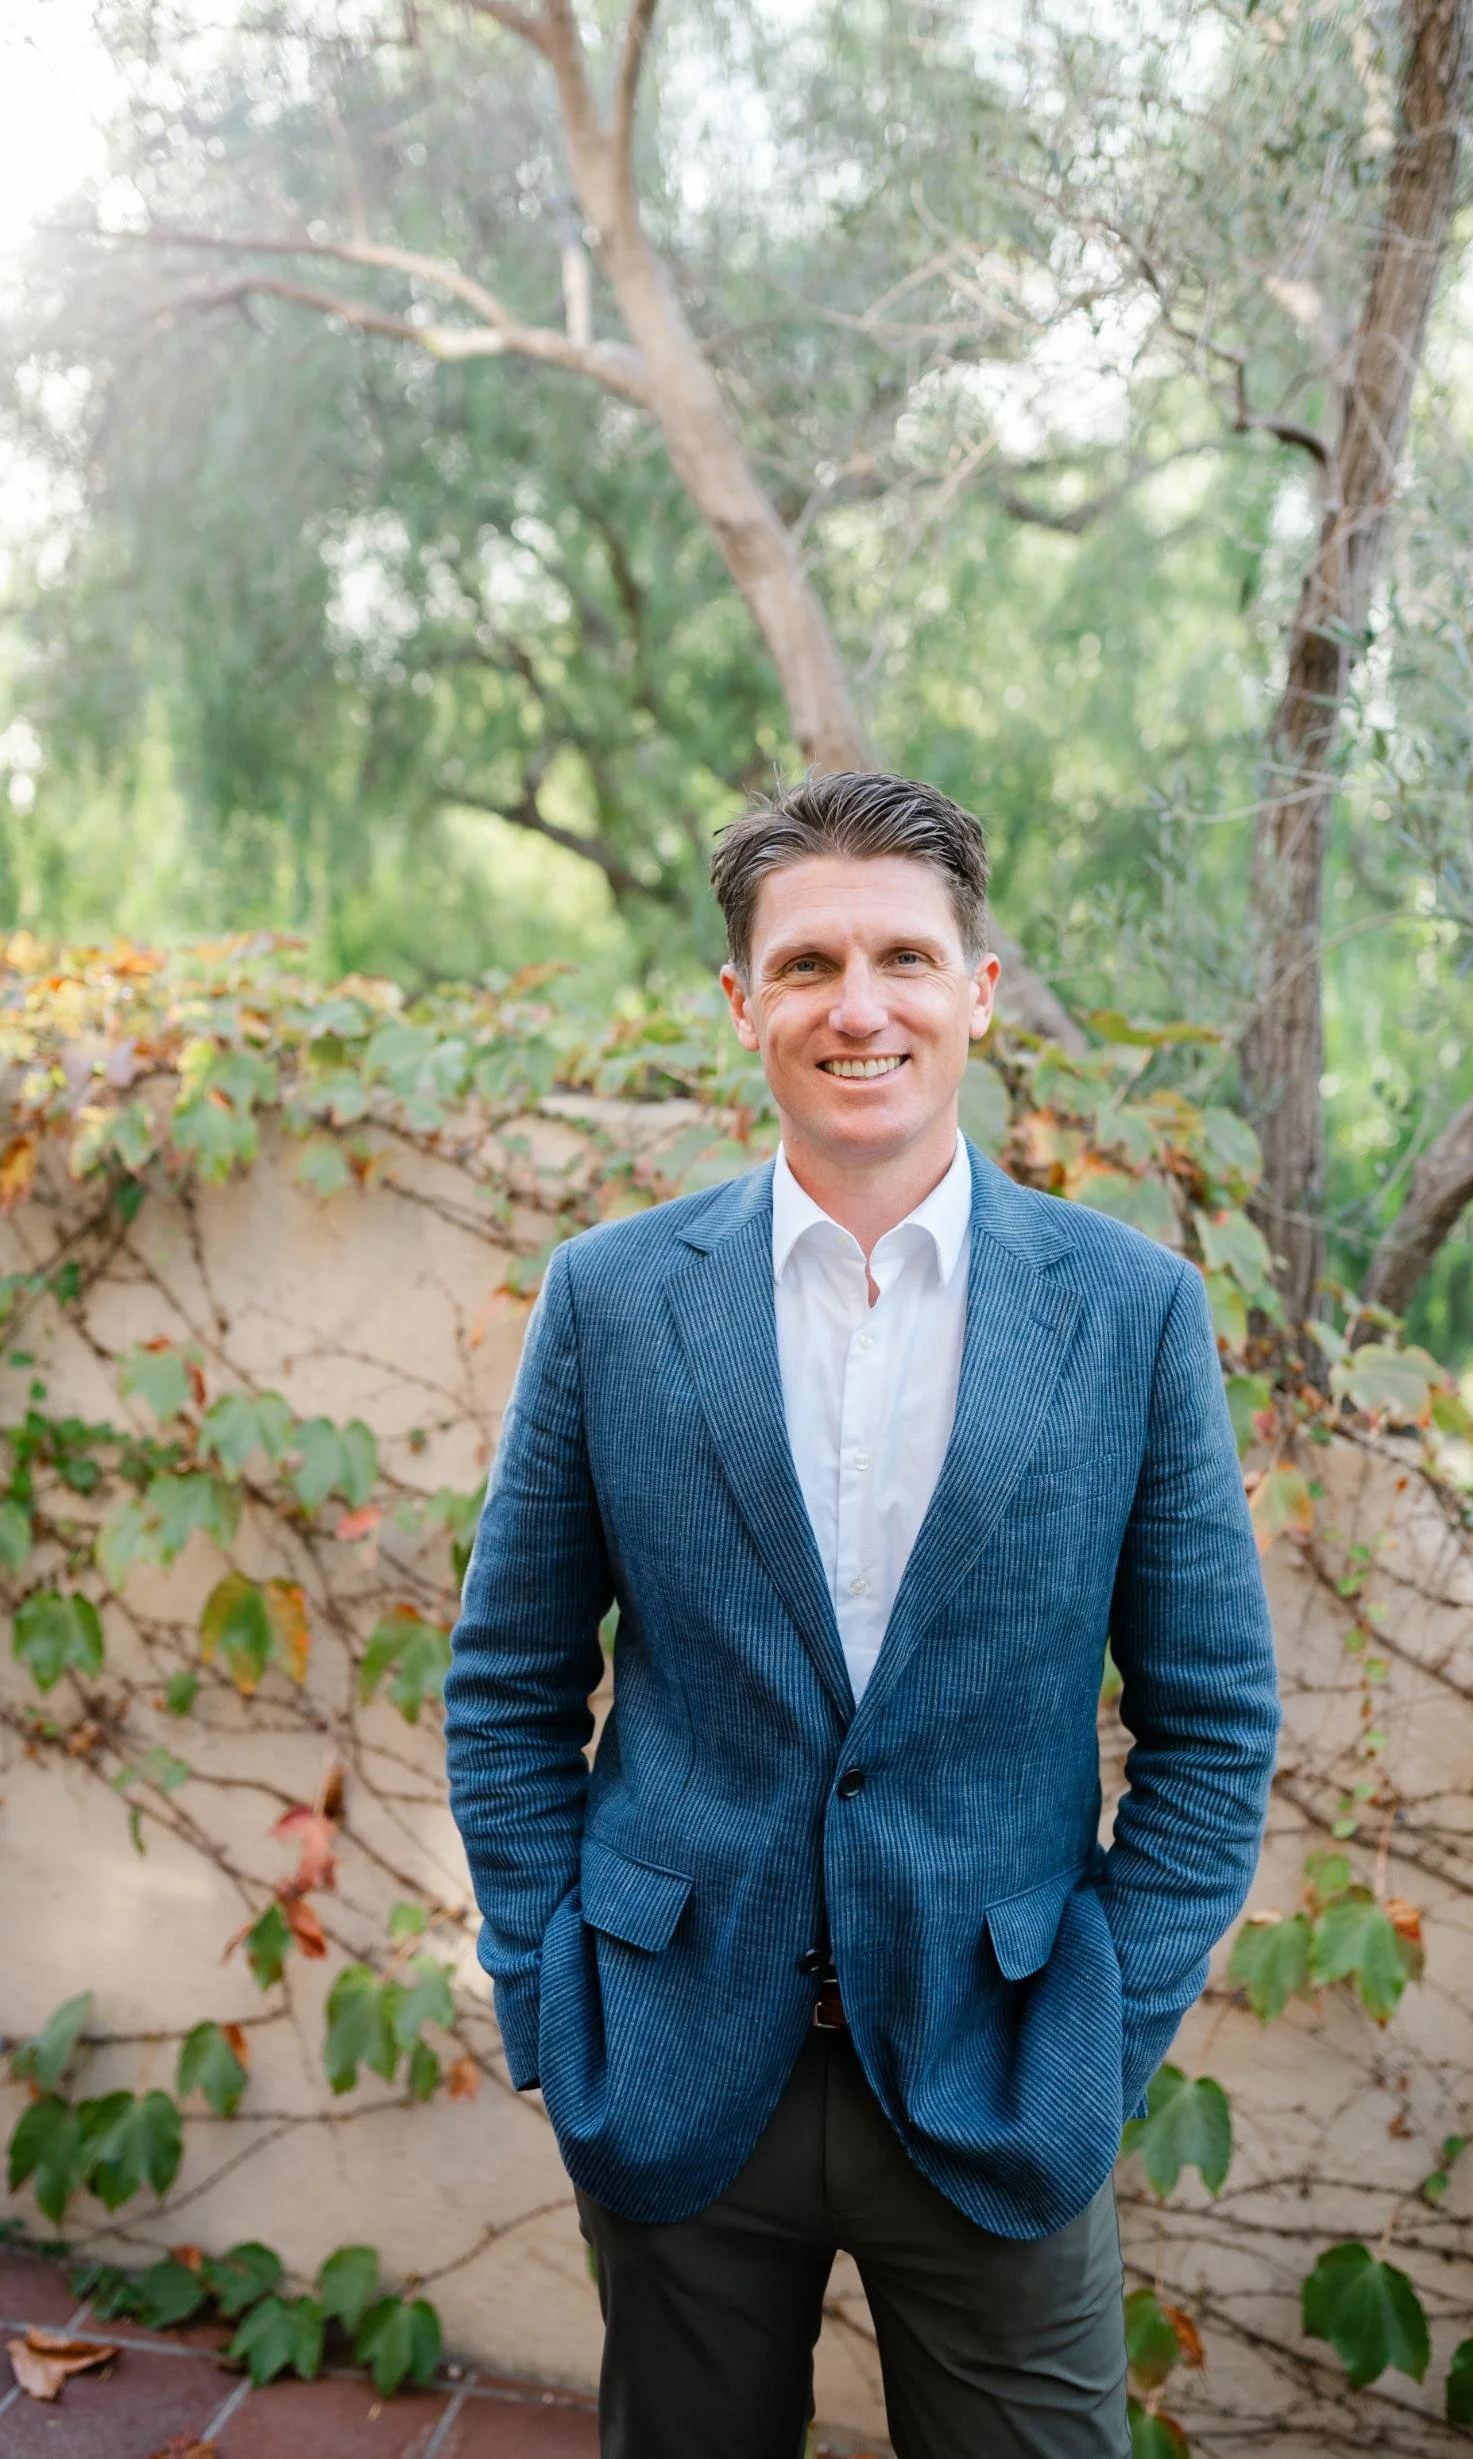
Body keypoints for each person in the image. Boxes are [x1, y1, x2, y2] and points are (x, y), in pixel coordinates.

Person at [444, 770, 1281, 2459]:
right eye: (809, 963)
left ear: (978, 990)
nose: (859, 1005)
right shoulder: (612, 1300)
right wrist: (553, 1991)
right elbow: (508, 1683)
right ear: (741, 1001)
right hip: (671, 2060)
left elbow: (1213, 1723)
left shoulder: (1130, 1312)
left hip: (1001, 2067)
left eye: (904, 956)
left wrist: (1100, 2031)